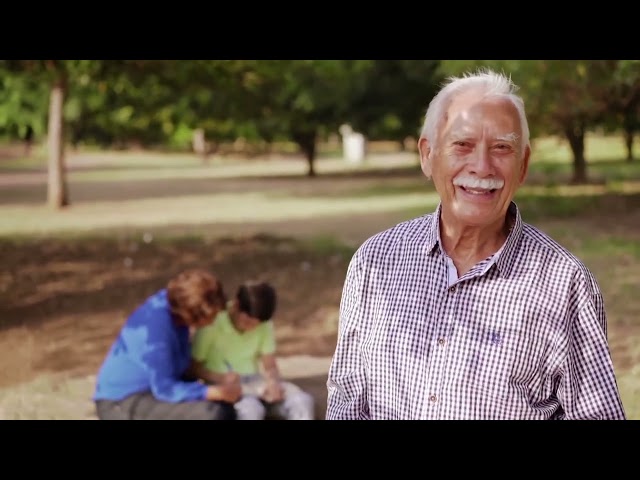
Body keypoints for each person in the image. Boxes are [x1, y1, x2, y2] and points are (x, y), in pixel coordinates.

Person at [325, 68, 626, 420]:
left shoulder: (564, 283)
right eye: (462, 145)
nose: (482, 167)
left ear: (523, 164)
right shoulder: (375, 263)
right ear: (427, 155)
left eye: (501, 148)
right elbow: (346, 400)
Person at [93, 269, 242, 420]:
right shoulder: (155, 330)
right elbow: (165, 389)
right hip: (123, 401)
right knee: (210, 414)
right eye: (211, 317)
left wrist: (218, 380)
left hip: (154, 390)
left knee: (225, 408)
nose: (213, 322)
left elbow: (183, 368)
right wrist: (213, 392)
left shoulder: (176, 309)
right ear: (192, 314)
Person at [191, 281, 315, 420]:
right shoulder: (213, 321)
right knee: (251, 410)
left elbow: (269, 364)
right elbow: (195, 368)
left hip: (255, 381)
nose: (252, 328)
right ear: (237, 305)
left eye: (257, 325)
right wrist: (221, 377)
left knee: (302, 401)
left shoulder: (263, 324)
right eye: (247, 322)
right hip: (225, 384)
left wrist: (272, 382)